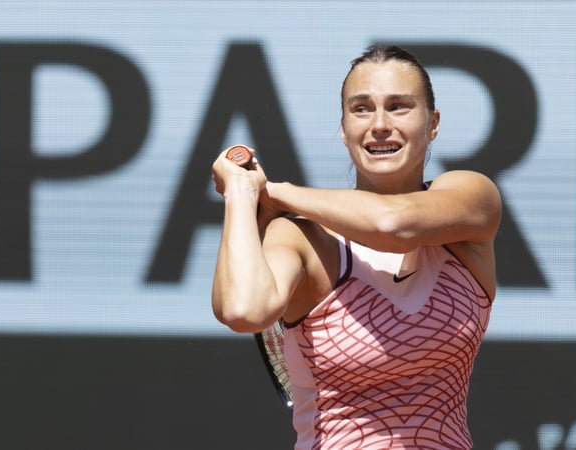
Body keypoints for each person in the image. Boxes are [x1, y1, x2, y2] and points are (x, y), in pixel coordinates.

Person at [211, 45, 501, 450]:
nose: (380, 124)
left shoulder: (472, 197)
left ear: (432, 123)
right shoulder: (302, 238)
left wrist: (276, 191)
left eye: (399, 106)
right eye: (362, 109)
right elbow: (244, 310)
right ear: (344, 127)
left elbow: (392, 223)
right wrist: (241, 194)